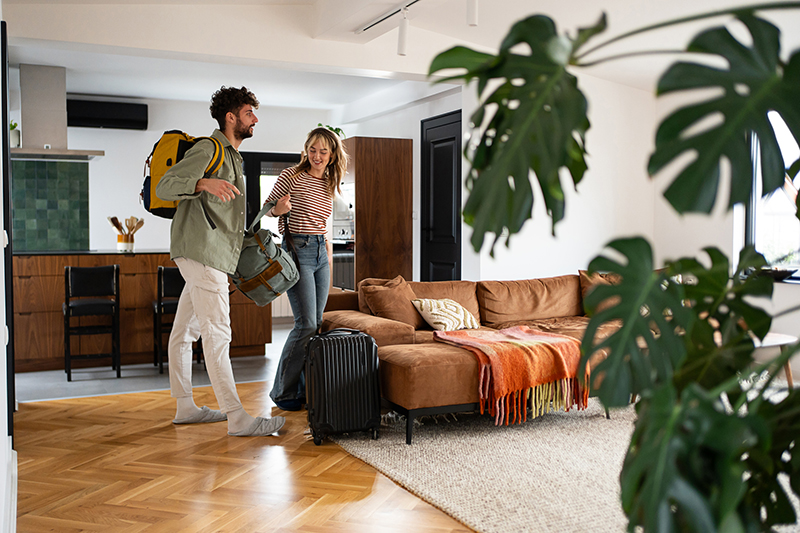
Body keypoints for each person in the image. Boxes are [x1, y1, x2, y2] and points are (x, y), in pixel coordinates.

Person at [156, 86, 285, 437]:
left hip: (208, 255)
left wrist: (271, 211)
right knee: (218, 334)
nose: (255, 118)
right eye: (248, 113)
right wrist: (202, 183)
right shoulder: (208, 148)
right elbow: (165, 187)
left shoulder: (234, 157)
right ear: (231, 117)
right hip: (202, 254)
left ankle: (185, 407)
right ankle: (238, 417)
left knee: (184, 333)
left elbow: (230, 224)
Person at [264, 127, 348, 411]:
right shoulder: (291, 175)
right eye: (312, 150)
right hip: (297, 250)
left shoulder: (328, 181)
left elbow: (322, 224)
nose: (317, 156)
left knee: (317, 322)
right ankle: (283, 392)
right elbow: (266, 208)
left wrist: (327, 254)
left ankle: (301, 389)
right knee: (306, 324)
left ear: (332, 154)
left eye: (323, 151)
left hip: (320, 251)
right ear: (306, 149)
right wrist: (278, 210)